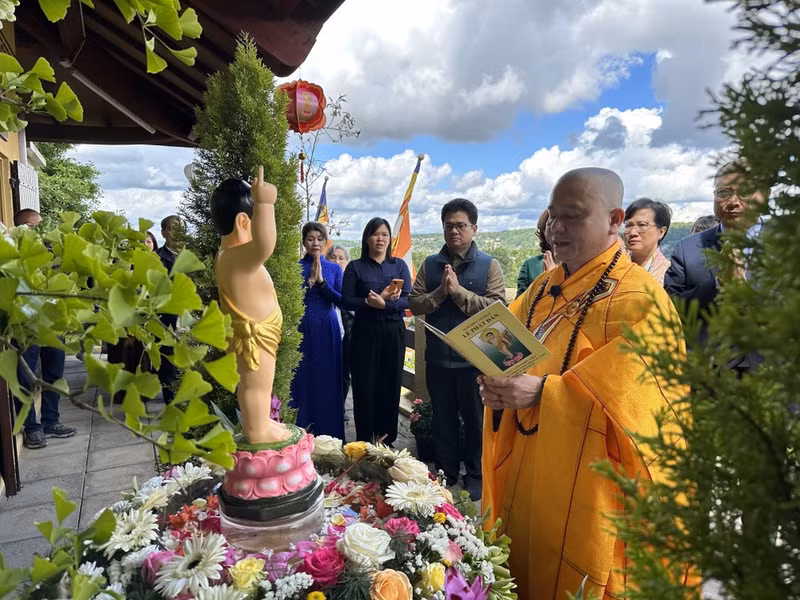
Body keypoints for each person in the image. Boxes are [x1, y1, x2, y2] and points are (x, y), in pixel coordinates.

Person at [480, 168, 688, 599]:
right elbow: (503, 349)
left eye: (572, 216)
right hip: (526, 463)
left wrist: (542, 393)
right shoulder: (542, 289)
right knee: (519, 566)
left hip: (591, 483)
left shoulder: (640, 299)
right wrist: (498, 385)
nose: (557, 229)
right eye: (553, 216)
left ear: (614, 219)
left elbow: (644, 412)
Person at [409, 199, 505, 500]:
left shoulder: (489, 265)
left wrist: (459, 293)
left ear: (473, 228)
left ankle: (475, 475)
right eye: (448, 225)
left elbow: (497, 307)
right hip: (438, 358)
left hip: (474, 361)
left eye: (461, 225)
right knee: (442, 421)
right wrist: (440, 293)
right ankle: (446, 473)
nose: (454, 231)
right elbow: (414, 303)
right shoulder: (430, 265)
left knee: (476, 423)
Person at [211, 170, 290, 443]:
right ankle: (256, 431)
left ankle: (261, 422)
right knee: (255, 384)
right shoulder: (236, 256)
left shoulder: (227, 256)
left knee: (259, 383)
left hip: (258, 332)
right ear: (244, 221)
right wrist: (266, 204)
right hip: (254, 335)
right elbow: (265, 245)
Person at [665, 161, 767, 369]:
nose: (733, 202)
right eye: (723, 192)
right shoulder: (688, 248)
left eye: (745, 192)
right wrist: (718, 285)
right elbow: (669, 309)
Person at [342, 218, 411, 445]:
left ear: (390, 239)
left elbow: (408, 300)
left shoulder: (399, 265)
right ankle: (365, 441)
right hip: (365, 332)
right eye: (375, 234)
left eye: (384, 234)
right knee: (365, 385)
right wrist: (372, 302)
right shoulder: (355, 267)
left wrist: (385, 305)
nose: (380, 238)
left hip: (393, 331)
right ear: (367, 238)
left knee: (390, 385)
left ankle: (386, 440)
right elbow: (347, 300)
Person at [13, 209, 76, 449]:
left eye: (40, 226)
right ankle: (32, 428)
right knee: (25, 379)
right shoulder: (11, 257)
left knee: (55, 374)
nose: (38, 231)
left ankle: (51, 420)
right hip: (25, 326)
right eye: (32, 226)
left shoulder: (52, 254)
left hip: (52, 323)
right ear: (19, 229)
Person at [291, 222, 345, 438]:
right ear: (304, 241)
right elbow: (291, 302)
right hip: (303, 328)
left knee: (328, 377)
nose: (315, 243)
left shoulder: (334, 268)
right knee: (303, 377)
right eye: (311, 238)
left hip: (327, 326)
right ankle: (301, 431)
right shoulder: (294, 267)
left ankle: (330, 433)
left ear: (325, 241)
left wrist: (322, 283)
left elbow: (342, 300)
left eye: (320, 239)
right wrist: (309, 282)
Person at [107, 231, 158, 402]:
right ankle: (121, 393)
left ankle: (142, 392)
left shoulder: (158, 264)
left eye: (149, 241)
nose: (146, 244)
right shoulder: (124, 262)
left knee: (144, 356)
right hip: (123, 317)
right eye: (142, 241)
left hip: (149, 316)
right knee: (123, 355)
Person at [155, 215, 184, 404]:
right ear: (164, 232)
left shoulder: (192, 255)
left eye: (181, 228)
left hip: (190, 315)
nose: (177, 232)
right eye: (173, 228)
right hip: (166, 317)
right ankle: (171, 401)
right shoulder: (157, 258)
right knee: (168, 361)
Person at [326, 245, 354, 411]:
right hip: (328, 333)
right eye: (333, 257)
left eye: (341, 258)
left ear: (346, 262)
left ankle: (340, 408)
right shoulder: (323, 281)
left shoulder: (350, 282)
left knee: (344, 374)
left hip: (348, 334)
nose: (337, 261)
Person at [623, 197, 672, 284]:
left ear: (661, 232)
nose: (633, 232)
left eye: (642, 225)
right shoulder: (614, 268)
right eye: (628, 225)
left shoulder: (670, 274)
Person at [516, 210, 556, 298]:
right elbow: (519, 305)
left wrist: (554, 278)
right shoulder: (530, 265)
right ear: (543, 232)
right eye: (550, 225)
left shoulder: (581, 266)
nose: (557, 230)